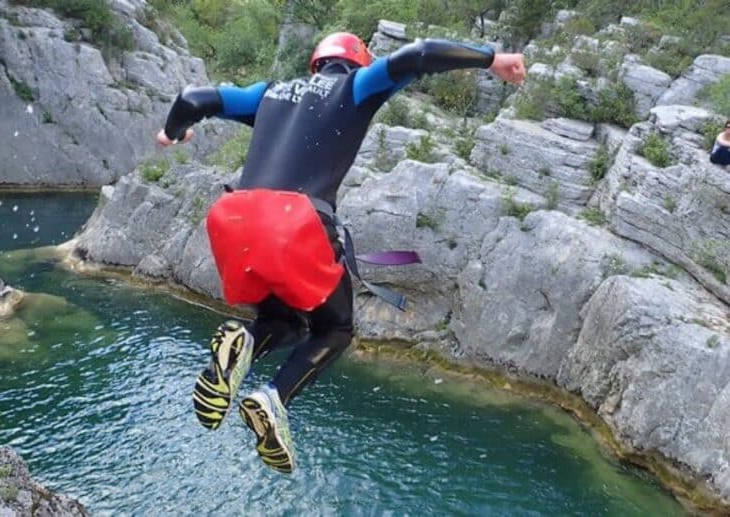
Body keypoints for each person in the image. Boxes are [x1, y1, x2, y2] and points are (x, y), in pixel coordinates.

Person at [156, 32, 526, 473]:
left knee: (285, 321)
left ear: (316, 63)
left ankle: (247, 342)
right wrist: (492, 59)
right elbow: (419, 55)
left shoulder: (270, 94)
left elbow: (193, 97)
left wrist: (173, 132)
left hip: (232, 220)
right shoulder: (355, 86)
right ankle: (273, 397)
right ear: (356, 62)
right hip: (294, 224)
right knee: (336, 328)